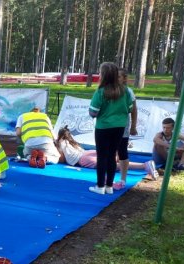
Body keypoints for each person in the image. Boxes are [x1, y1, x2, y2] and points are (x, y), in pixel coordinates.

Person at [88, 62, 134, 195]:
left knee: (102, 156)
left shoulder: (100, 91)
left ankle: (100, 186)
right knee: (113, 155)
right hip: (120, 127)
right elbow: (130, 108)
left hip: (103, 127)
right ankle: (109, 186)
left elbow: (93, 112)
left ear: (103, 75)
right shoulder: (125, 91)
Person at [56, 126, 157, 181]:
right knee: (112, 158)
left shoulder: (61, 142)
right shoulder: (72, 142)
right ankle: (144, 164)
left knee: (111, 166)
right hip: (88, 153)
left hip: (82, 159)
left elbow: (61, 157)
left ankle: (143, 166)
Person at [114, 68, 140, 189]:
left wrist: (133, 126)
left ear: (124, 79)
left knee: (122, 151)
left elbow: (134, 110)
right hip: (108, 127)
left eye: (118, 76)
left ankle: (122, 179)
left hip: (122, 126)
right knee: (109, 151)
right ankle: (108, 176)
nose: (115, 79)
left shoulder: (128, 92)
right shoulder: (108, 90)